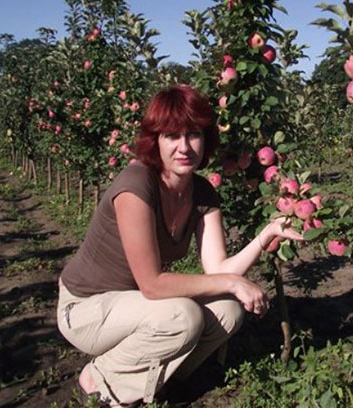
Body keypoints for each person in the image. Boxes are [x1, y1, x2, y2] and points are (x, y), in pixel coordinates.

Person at [56, 84, 303, 406]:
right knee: (182, 316)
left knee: (227, 310)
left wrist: (267, 234)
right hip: (88, 308)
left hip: (135, 306)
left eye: (194, 134)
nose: (184, 147)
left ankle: (163, 383)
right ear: (154, 141)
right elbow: (153, 285)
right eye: (172, 136)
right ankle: (99, 380)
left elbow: (218, 270)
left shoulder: (201, 192)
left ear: (206, 139)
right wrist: (232, 282)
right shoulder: (135, 186)